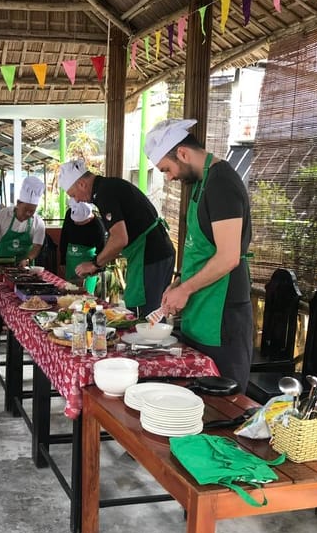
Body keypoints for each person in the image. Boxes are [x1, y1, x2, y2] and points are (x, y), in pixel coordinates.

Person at [146, 118, 253, 391]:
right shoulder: (200, 184)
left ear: (182, 153)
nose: (169, 177)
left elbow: (229, 256)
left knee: (224, 404)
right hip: (201, 308)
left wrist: (186, 289)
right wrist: (181, 282)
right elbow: (202, 249)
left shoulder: (222, 184)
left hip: (222, 315)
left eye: (166, 169)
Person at [59, 159, 175, 316]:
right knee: (154, 313)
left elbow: (120, 239)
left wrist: (95, 263)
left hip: (149, 255)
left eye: (73, 195)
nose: (76, 200)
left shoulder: (104, 193)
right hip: (157, 252)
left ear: (81, 184)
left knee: (144, 315)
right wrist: (100, 263)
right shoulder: (108, 186)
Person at [0, 176, 46, 268]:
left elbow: (37, 247)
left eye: (32, 211)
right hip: (1, 265)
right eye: (25, 209)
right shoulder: (2, 215)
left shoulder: (38, 223)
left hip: (25, 268)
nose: (28, 214)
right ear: (18, 203)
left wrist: (27, 259)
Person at [58, 198, 106, 294]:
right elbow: (64, 238)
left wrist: (93, 268)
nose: (76, 223)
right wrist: (62, 261)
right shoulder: (70, 214)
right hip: (70, 262)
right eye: (74, 221)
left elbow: (103, 253)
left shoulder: (98, 226)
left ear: (88, 218)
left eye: (79, 222)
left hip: (88, 268)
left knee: (85, 296)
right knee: (69, 293)